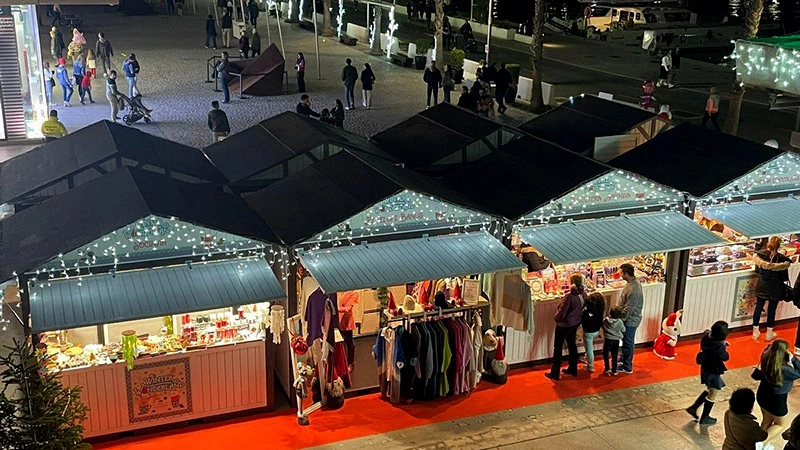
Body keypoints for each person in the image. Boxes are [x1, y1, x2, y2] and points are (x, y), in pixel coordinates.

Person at [752, 339, 800, 447]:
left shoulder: (765, 360)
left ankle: (762, 442)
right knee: (781, 424)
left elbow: (755, 374)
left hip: (762, 395)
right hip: (777, 400)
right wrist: (793, 358)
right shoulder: (785, 370)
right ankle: (760, 443)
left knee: (766, 421)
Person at [686, 321, 730, 425]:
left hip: (705, 367)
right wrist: (724, 346)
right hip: (713, 370)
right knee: (713, 392)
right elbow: (725, 357)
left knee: (710, 389)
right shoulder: (718, 346)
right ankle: (705, 417)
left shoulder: (706, 337)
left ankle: (694, 407)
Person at [545, 273, 586, 381]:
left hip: (564, 324)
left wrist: (556, 318)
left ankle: (555, 372)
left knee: (558, 347)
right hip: (575, 323)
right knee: (572, 345)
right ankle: (573, 368)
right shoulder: (583, 294)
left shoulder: (569, 296)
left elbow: (563, 312)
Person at [752, 236, 791, 342]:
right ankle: (769, 333)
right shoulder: (782, 260)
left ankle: (755, 331)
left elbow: (757, 270)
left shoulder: (761, 255)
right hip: (776, 288)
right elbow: (784, 277)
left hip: (763, 285)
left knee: (759, 307)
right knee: (772, 310)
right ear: (779, 246)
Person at [618, 263, 643, 374]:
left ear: (626, 274)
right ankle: (624, 359)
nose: (620, 275)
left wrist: (621, 319)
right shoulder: (632, 284)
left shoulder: (634, 289)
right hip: (629, 319)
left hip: (631, 320)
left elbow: (629, 308)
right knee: (626, 340)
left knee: (628, 342)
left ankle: (627, 366)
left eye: (621, 273)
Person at [582, 292, 605, 373]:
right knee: (589, 349)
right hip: (596, 330)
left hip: (588, 332)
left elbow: (584, 319)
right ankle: (587, 358)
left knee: (589, 350)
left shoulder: (588, 311)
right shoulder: (600, 309)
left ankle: (590, 366)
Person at [602, 306, 626, 376]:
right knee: (614, 355)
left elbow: (603, 326)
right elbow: (624, 330)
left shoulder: (606, 320)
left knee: (605, 353)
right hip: (616, 340)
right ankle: (614, 370)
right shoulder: (620, 322)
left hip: (608, 339)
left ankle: (607, 368)